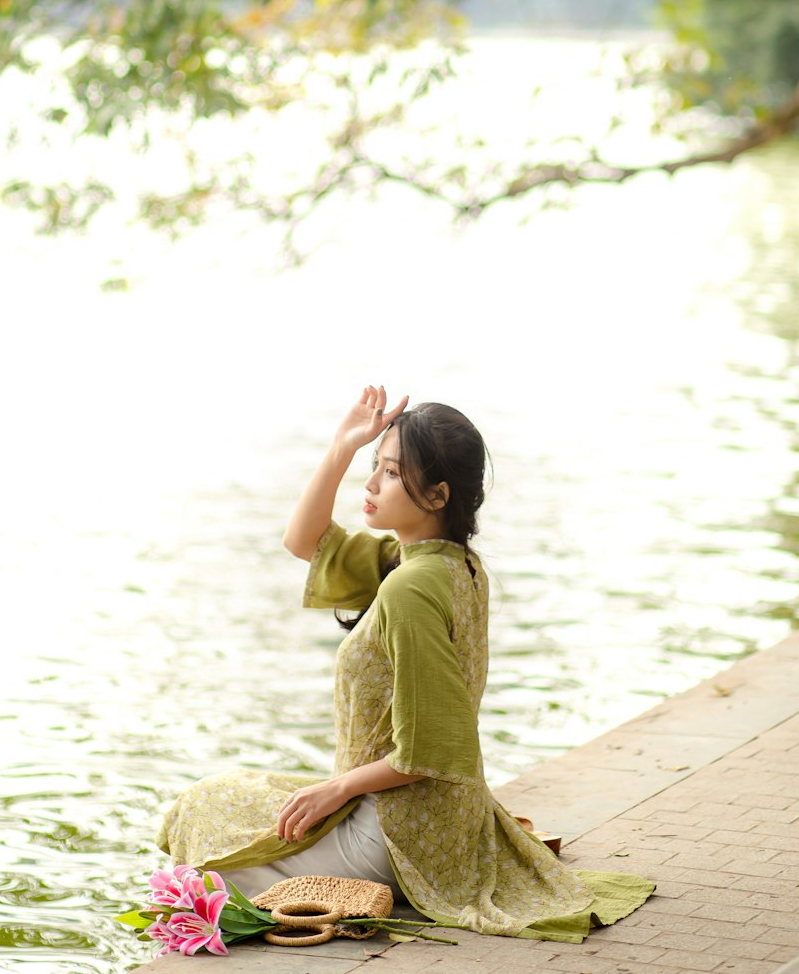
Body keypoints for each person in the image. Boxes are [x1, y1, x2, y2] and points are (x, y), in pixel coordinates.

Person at [156, 385, 655, 942]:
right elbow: (304, 540)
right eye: (375, 466)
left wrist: (337, 789)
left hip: (398, 831)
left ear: (438, 496)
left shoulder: (411, 587)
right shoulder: (446, 563)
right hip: (434, 816)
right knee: (216, 800)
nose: (370, 485)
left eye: (390, 473)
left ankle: (364, 885)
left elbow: (433, 749)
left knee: (207, 858)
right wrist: (344, 444)